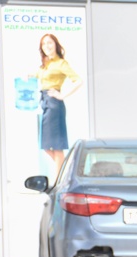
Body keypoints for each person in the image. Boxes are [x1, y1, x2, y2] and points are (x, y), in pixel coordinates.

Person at [34, 34, 82, 176]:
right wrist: (29, 75)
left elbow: (78, 81)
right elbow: (39, 74)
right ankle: (65, 169)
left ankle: (58, 180)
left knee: (56, 146)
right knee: (46, 146)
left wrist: (62, 95)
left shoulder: (61, 63)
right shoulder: (46, 64)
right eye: (43, 44)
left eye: (49, 43)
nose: (47, 46)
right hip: (45, 103)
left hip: (54, 104)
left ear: (55, 44)